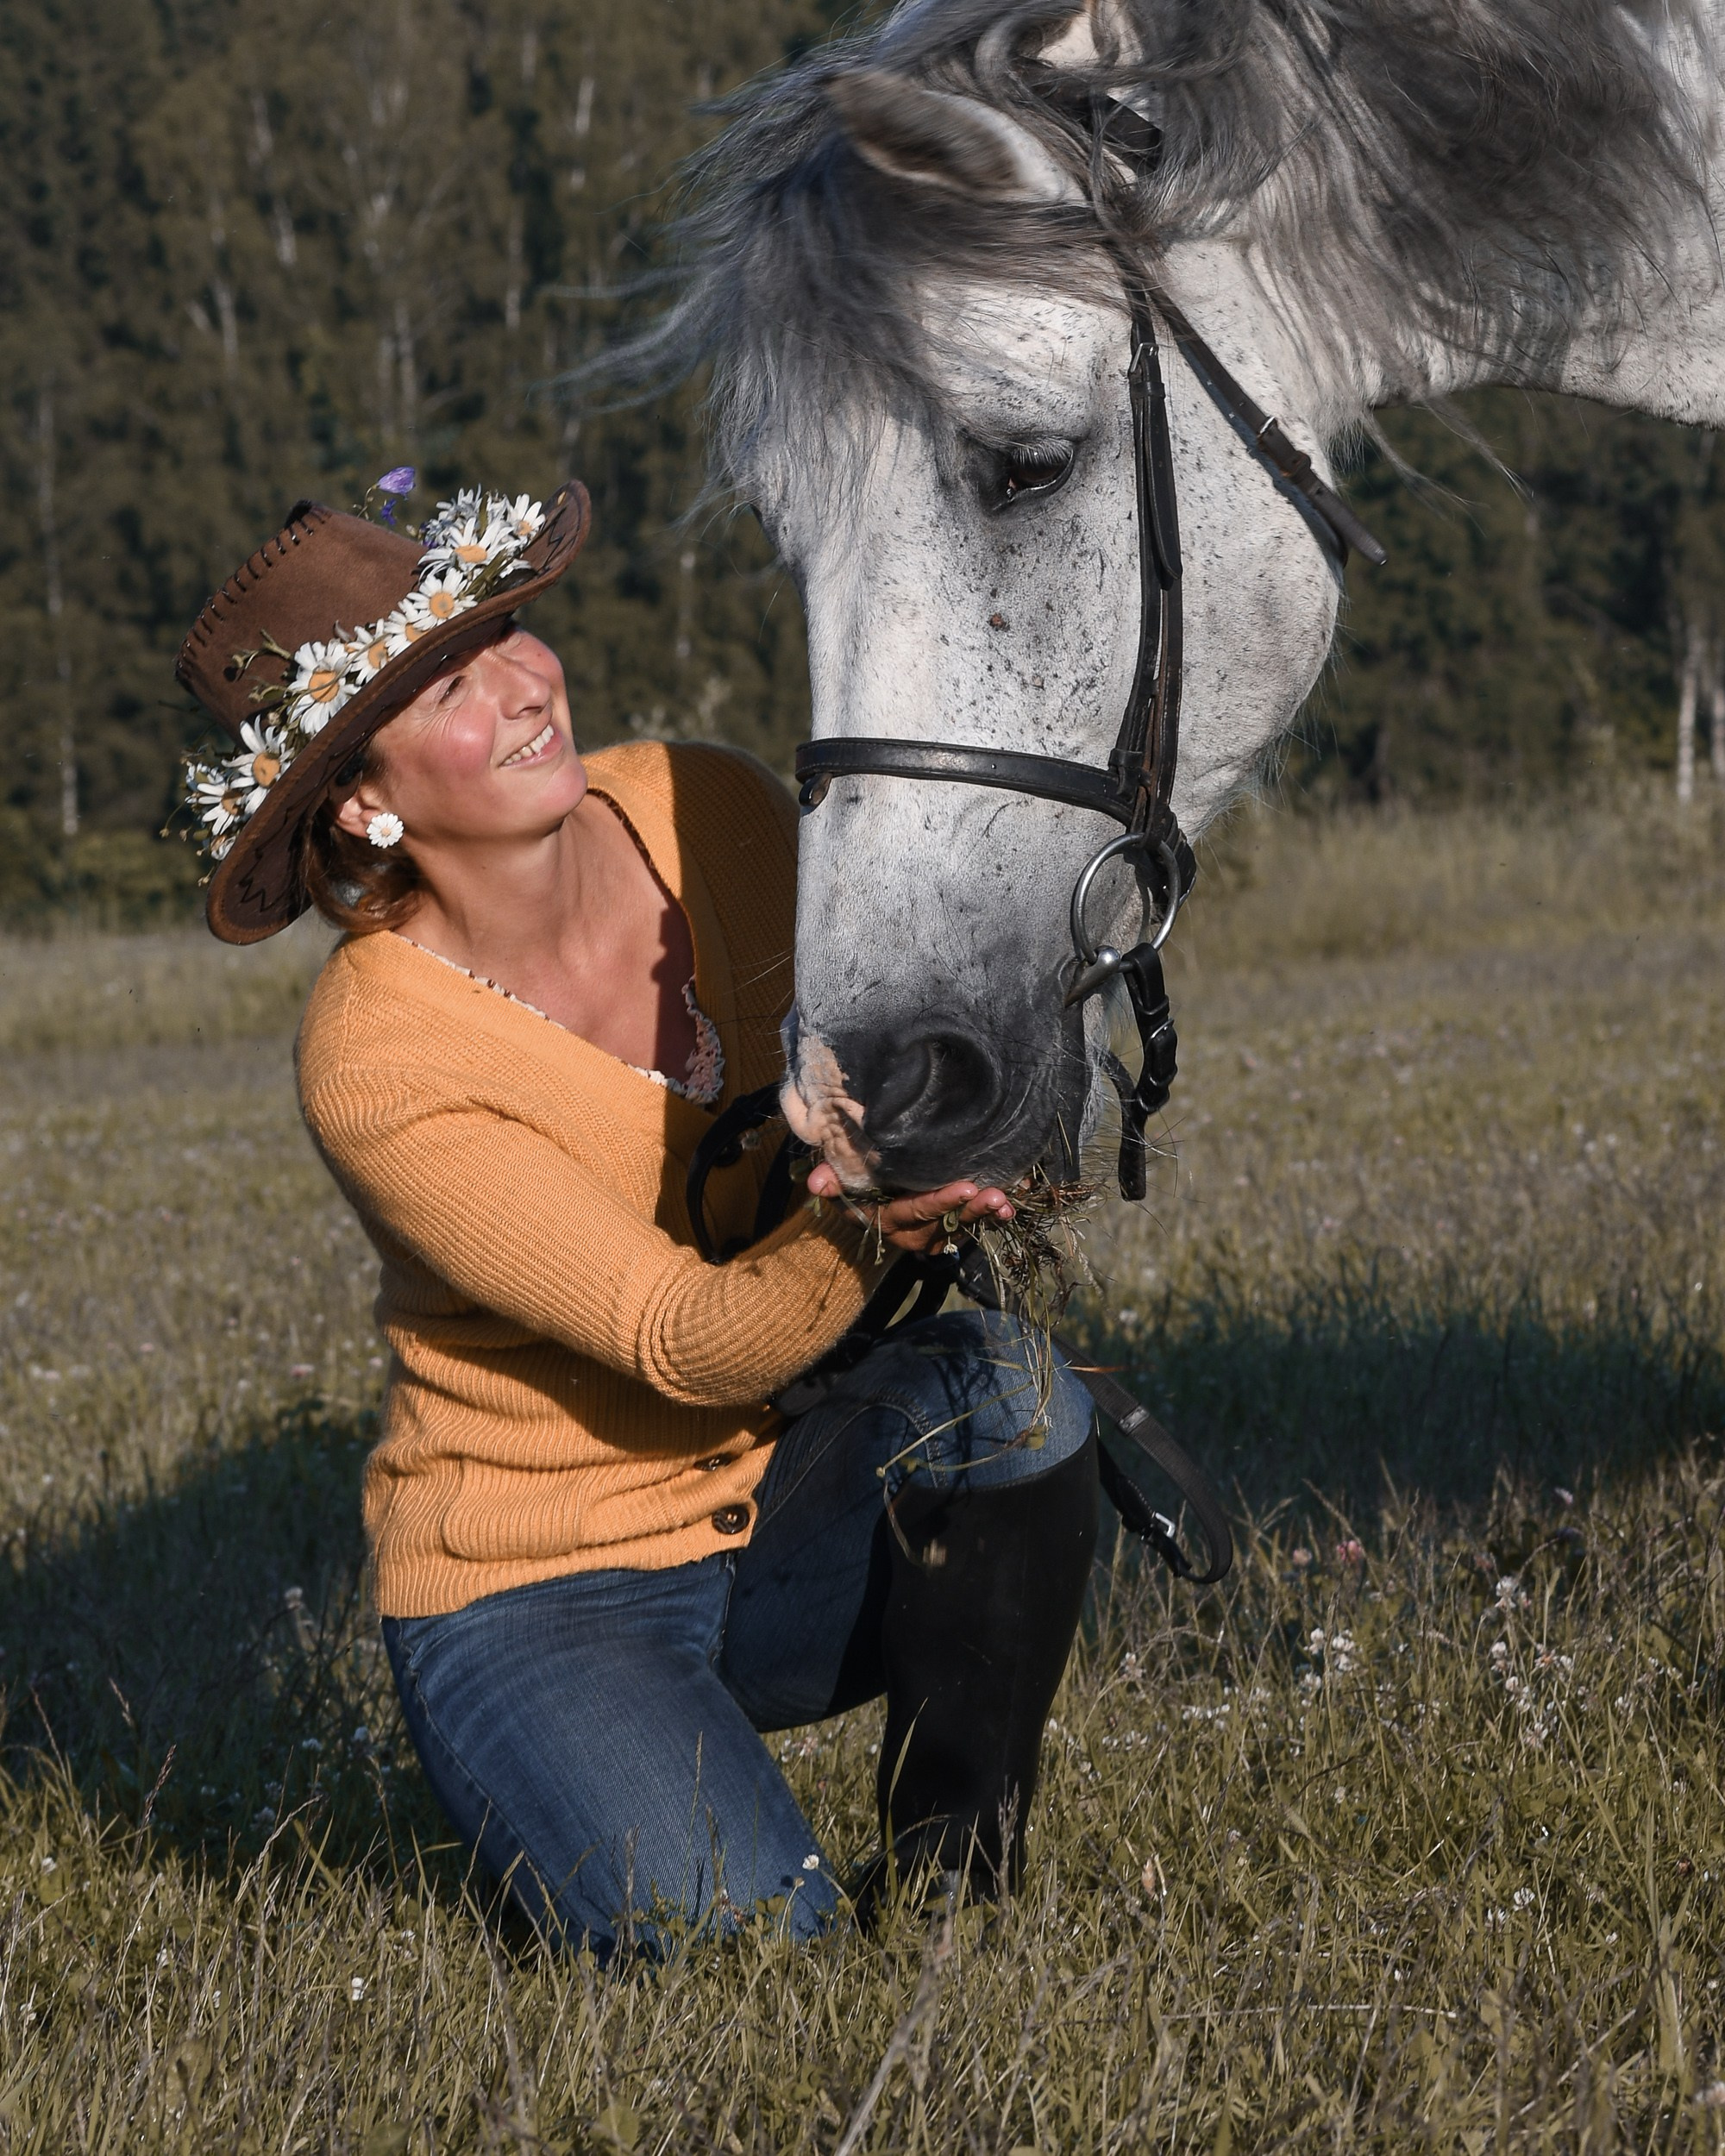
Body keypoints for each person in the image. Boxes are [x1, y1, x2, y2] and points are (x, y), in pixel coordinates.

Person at [174, 481, 1099, 1955]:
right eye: (449, 687)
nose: (527, 686)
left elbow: (904, 1024)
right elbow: (684, 1340)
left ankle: (953, 1901)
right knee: (751, 1964)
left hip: (775, 1497)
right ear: (366, 799)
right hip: (545, 1590)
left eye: (506, 638)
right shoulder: (380, 1056)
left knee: (1007, 1396)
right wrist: (869, 1215)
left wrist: (979, 1096)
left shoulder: (705, 803)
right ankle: (567, 1771)